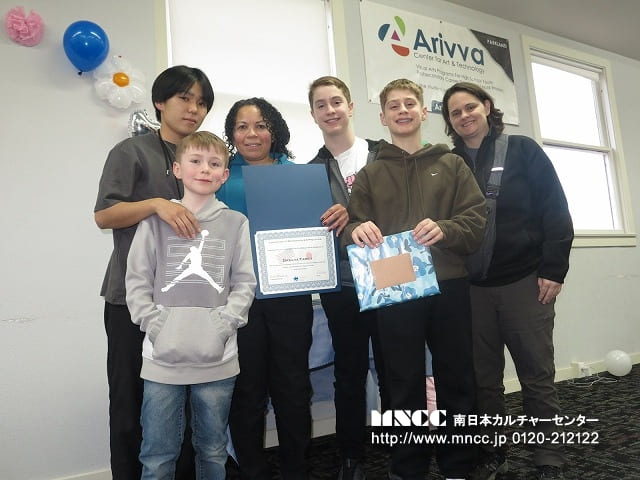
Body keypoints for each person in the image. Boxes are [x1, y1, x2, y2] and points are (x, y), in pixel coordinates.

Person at [342, 78, 486, 480]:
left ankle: (459, 465)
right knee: (401, 381)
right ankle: (407, 467)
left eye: (410, 104)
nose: (402, 111)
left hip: (450, 284)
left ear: (423, 112)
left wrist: (446, 229)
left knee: (457, 377)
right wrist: (355, 230)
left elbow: (476, 220)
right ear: (383, 117)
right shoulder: (370, 175)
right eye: (394, 106)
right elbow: (351, 226)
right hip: (394, 289)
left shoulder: (453, 165)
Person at [442, 82, 574, 480]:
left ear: (486, 107)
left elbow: (555, 208)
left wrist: (554, 269)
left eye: (470, 107)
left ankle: (548, 457)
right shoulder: (448, 164)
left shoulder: (522, 150)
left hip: (525, 283)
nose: (464, 116)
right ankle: (492, 451)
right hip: (471, 289)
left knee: (536, 375)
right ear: (449, 122)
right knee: (484, 381)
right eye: (455, 112)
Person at [94, 65, 214, 480]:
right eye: (185, 98)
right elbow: (105, 214)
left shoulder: (203, 159)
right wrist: (156, 204)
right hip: (131, 300)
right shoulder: (131, 152)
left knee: (185, 406)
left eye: (201, 102)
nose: (193, 108)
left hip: (188, 302)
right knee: (130, 403)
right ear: (160, 102)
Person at [125, 131, 256, 479]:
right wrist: (156, 324)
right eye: (195, 161)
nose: (205, 169)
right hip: (161, 360)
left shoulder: (236, 223)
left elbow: (245, 282)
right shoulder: (154, 221)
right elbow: (137, 280)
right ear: (178, 169)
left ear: (224, 175)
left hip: (218, 360)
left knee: (213, 451)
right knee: (157, 454)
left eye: (214, 163)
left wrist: (223, 325)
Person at [218, 97, 315, 480]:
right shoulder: (220, 176)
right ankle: (252, 470)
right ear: (232, 134)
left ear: (274, 130)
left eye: (260, 125)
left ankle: (297, 469)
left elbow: (316, 231)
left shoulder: (299, 175)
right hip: (240, 301)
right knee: (247, 390)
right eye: (242, 126)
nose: (252, 134)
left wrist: (334, 216)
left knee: (293, 387)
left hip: (290, 298)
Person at [307, 75, 386, 480]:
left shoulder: (384, 155)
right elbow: (310, 233)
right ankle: (351, 455)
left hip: (390, 276)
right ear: (313, 114)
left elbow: (405, 209)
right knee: (349, 373)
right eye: (321, 105)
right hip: (342, 285)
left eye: (336, 101)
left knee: (396, 370)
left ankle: (403, 451)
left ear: (351, 106)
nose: (330, 110)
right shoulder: (310, 173)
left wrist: (354, 213)